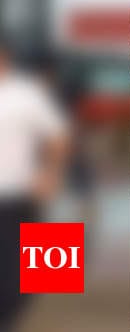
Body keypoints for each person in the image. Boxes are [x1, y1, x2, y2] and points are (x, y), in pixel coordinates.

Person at [0, 38, 68, 329]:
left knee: (16, 264)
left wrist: (50, 174)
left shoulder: (27, 95)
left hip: (18, 193)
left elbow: (58, 137)